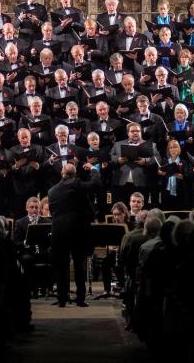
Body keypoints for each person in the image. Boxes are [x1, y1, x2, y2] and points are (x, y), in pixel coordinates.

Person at [49, 163, 99, 307]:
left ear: (62, 174)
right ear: (75, 174)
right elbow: (95, 183)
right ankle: (80, 299)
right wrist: (94, 169)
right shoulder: (77, 184)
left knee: (61, 266)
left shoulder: (52, 190)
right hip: (78, 231)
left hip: (59, 231)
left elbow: (52, 211)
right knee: (78, 265)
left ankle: (62, 299)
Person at [110, 122, 162, 207]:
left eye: (137, 131)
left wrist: (145, 161)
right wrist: (117, 160)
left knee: (140, 210)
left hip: (141, 183)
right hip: (121, 183)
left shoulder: (150, 145)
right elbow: (110, 158)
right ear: (128, 133)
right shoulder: (117, 144)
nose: (135, 133)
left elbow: (158, 159)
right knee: (122, 209)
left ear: (141, 132)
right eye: (132, 131)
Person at [158, 140, 187, 210]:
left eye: (175, 147)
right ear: (168, 150)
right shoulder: (164, 161)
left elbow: (187, 176)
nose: (173, 149)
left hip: (180, 192)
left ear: (179, 149)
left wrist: (182, 176)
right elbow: (160, 176)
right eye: (171, 148)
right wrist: (160, 173)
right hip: (166, 193)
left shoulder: (183, 162)